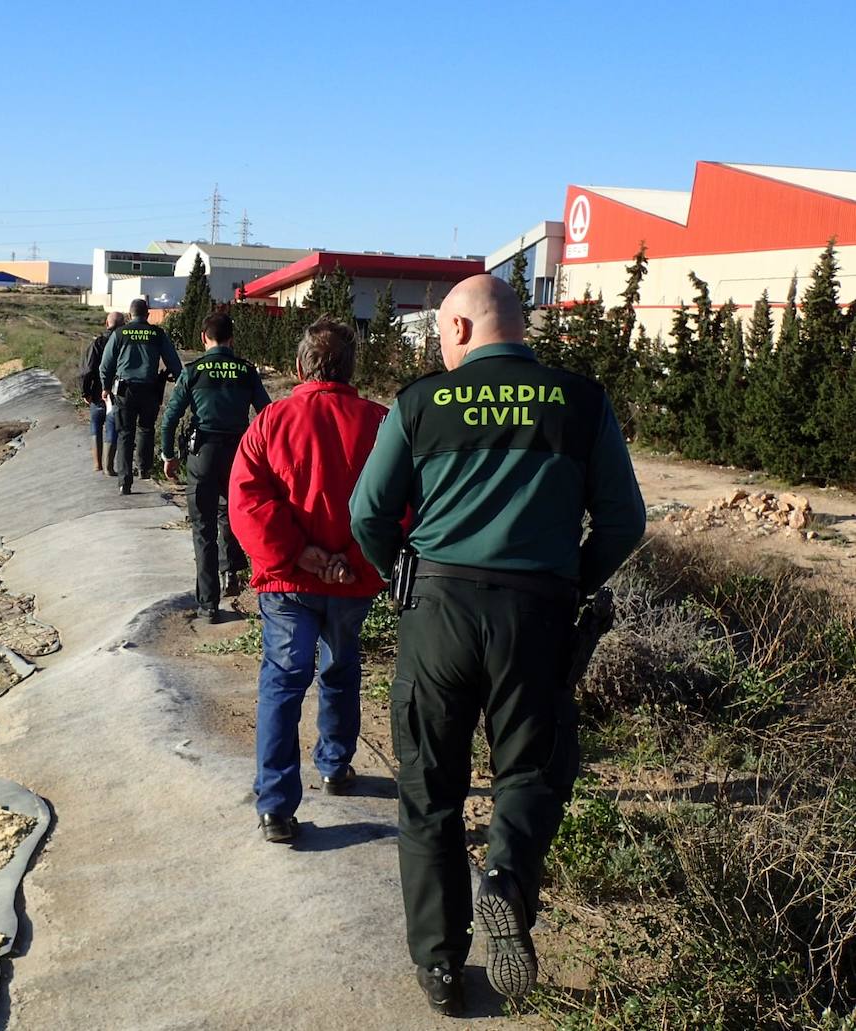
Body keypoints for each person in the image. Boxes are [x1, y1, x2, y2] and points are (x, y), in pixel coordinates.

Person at [349, 274, 645, 1016]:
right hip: (537, 614)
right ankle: (507, 879)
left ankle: (442, 967)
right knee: (533, 771)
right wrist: (571, 579)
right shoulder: (580, 400)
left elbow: (367, 514)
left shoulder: (418, 403)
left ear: (456, 330)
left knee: (429, 793)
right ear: (520, 327)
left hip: (437, 609)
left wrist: (401, 577)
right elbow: (624, 520)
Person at [228, 317, 388, 845]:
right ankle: (336, 765)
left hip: (288, 584)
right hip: (349, 581)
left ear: (300, 366)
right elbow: (403, 505)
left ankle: (275, 806)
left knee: (283, 680)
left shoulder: (272, 422)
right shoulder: (383, 424)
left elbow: (247, 502)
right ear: (351, 368)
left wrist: (302, 555)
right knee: (340, 667)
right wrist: (347, 558)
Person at [161, 312, 270, 623]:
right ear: (232, 339)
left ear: (203, 338)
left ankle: (209, 604)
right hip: (239, 453)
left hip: (203, 454)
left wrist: (168, 454)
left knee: (203, 527)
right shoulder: (247, 371)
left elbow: (171, 416)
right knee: (233, 514)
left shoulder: (194, 371)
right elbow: (267, 414)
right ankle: (233, 570)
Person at [99, 297, 183, 495]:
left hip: (124, 391)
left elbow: (106, 364)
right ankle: (144, 470)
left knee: (125, 434)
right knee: (146, 429)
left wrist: (105, 386)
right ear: (147, 315)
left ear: (129, 315)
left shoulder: (119, 333)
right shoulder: (157, 334)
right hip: (150, 389)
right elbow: (174, 362)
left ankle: (124, 481)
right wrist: (180, 380)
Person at [80, 311, 125, 476]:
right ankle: (109, 466)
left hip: (98, 392)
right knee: (113, 426)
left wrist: (85, 391)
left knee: (95, 424)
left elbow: (88, 370)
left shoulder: (98, 343)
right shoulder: (125, 342)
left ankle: (97, 464)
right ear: (123, 325)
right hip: (119, 391)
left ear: (107, 324)